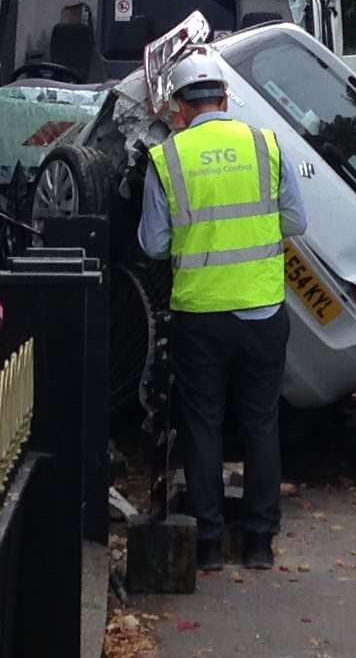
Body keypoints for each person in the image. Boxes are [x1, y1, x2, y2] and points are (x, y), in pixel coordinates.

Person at [137, 51, 308, 571]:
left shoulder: (168, 158)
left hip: (200, 317)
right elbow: (296, 222)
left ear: (178, 108)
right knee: (260, 424)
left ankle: (208, 543)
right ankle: (258, 542)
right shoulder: (267, 146)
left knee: (203, 426)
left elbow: (153, 244)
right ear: (225, 100)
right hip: (261, 311)